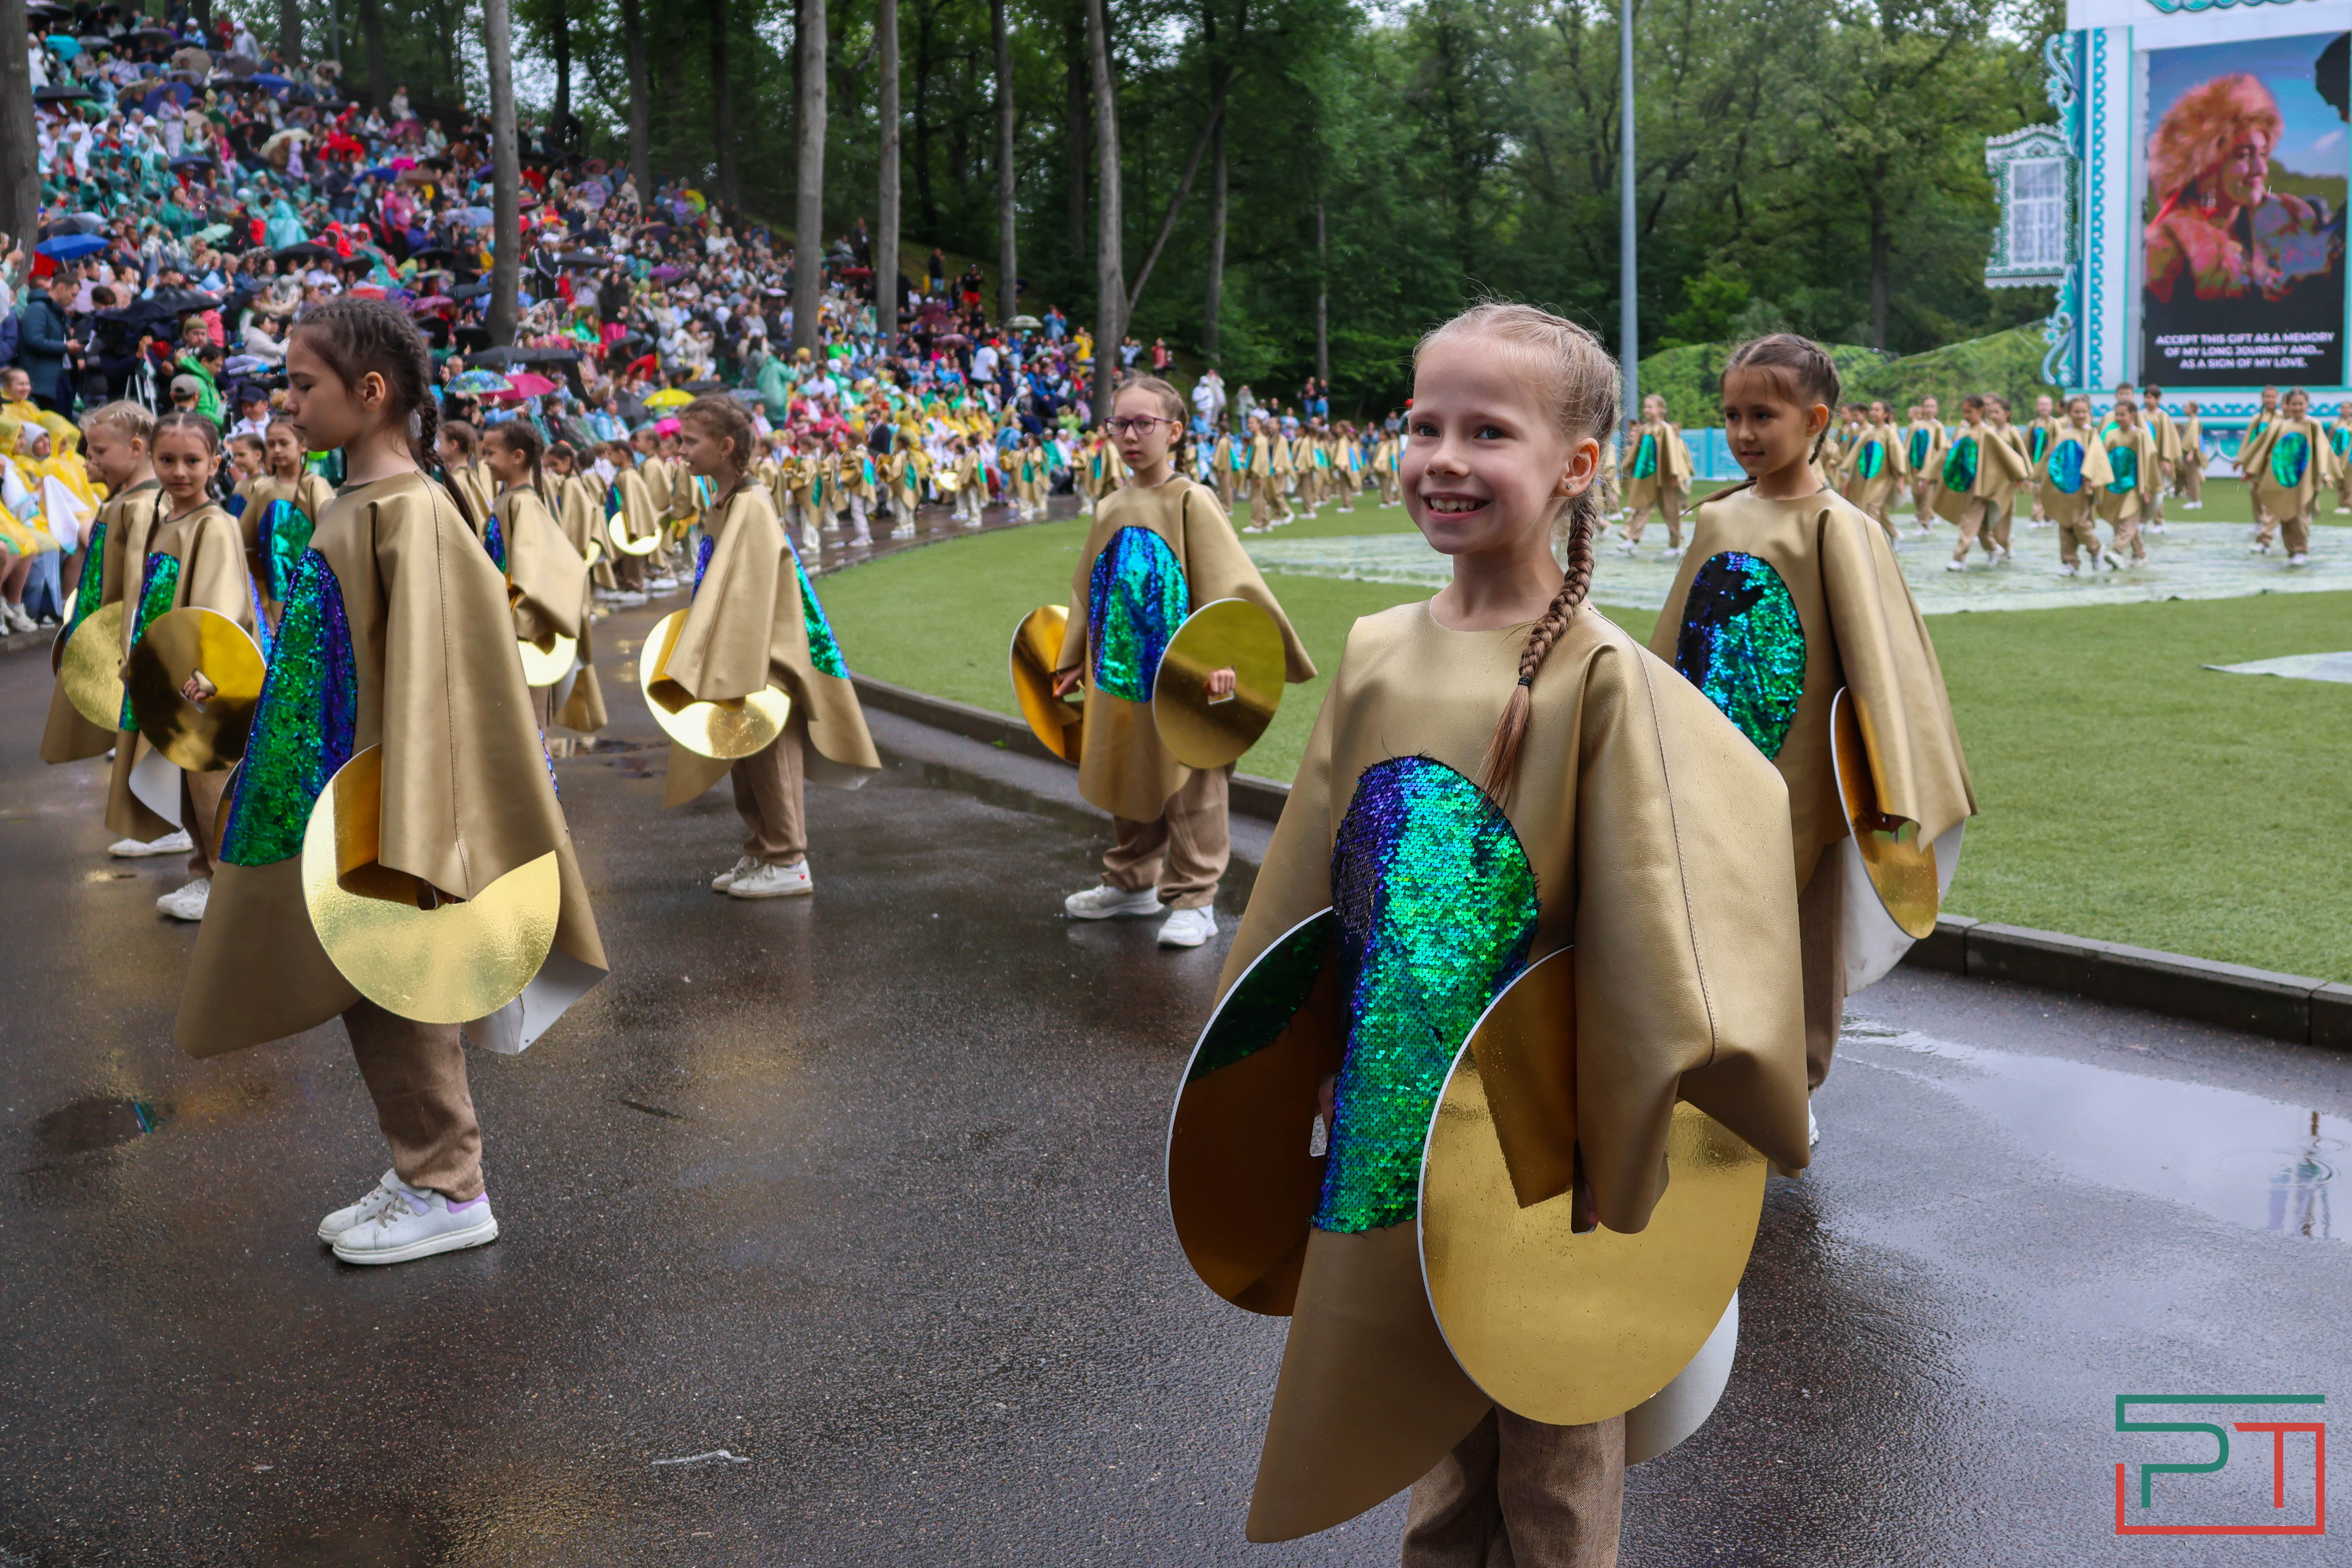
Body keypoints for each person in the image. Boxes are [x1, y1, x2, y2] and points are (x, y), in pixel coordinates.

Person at [1190, 303, 1809, 1565]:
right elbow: (1314, 891)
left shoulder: (1598, 679)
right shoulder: (1372, 654)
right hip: (1398, 1105)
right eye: (1423, 425)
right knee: (1430, 1424)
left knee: (1551, 1426)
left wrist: (1619, 1147)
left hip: (1545, 1132)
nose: (1443, 457)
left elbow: (1646, 930)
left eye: (1488, 431)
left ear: (1577, 468)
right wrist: (1301, 1061)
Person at [180, 296, 606, 1265]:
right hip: (351, 785)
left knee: (394, 976)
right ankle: (422, 1164)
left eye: (302, 385)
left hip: (387, 800)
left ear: (369, 394)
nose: (284, 404)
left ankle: (449, 1185)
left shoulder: (405, 514)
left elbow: (434, 684)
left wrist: (408, 823)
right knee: (364, 976)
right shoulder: (365, 505)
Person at [1649, 333, 1973, 1103]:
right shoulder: (1717, 520)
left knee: (1803, 936)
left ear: (1815, 419)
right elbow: (1675, 645)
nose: (1743, 433)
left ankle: (1794, 1084)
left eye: (1762, 414)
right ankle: (1712, 1066)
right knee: (1710, 921)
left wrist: (1889, 780)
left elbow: (1879, 663)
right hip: (1717, 759)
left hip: (1806, 780)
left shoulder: (1840, 528)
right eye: (1731, 415)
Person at [1049, 375, 1315, 949]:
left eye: (1144, 423)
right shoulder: (1110, 507)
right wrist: (1072, 659)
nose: (1129, 434)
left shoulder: (1191, 499)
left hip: (1183, 674)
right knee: (1128, 775)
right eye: (1119, 423)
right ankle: (1130, 883)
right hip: (1119, 673)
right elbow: (1085, 592)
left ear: (1174, 430)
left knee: (1194, 781)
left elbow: (1227, 582)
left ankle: (1195, 897)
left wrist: (1222, 655)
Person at [657, 395, 881, 898]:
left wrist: (733, 657)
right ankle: (761, 848)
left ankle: (788, 858)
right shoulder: (728, 501)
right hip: (740, 653)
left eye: (690, 441)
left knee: (770, 751)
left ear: (725, 446)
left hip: (764, 658)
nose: (682, 450)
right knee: (742, 755)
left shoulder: (751, 506)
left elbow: (752, 593)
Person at [107, 412, 260, 923]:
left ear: (214, 462)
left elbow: (219, 607)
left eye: (192, 460)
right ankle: (203, 870)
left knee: (208, 779)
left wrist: (207, 671)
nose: (179, 471)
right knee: (182, 774)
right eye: (167, 459)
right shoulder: (167, 519)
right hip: (172, 675)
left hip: (204, 682)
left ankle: (219, 876)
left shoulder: (213, 525)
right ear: (151, 459)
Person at [41, 401, 164, 786]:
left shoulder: (144, 505)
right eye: (89, 451)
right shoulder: (122, 500)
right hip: (113, 626)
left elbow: (139, 584)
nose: (91, 460)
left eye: (99, 452)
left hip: (134, 634)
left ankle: (165, 823)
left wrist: (130, 641)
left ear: (135, 448)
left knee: (153, 722)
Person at [484, 421, 605, 739]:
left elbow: (542, 572)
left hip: (526, 633)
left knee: (532, 723)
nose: (483, 460)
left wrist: (519, 618)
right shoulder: (508, 500)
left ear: (517, 456)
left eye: (490, 453)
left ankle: (542, 787)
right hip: (506, 623)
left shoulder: (524, 504)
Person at [236, 417, 335, 624]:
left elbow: (332, 540)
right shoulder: (263, 488)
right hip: (275, 593)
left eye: (284, 443)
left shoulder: (314, 485)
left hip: (313, 593)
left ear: (302, 446)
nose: (277, 450)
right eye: (271, 445)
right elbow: (243, 540)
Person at [2239, 387, 2338, 566]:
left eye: (2301, 404)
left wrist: (2324, 473)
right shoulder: (2281, 426)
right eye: (2294, 404)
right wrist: (2246, 464)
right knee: (2285, 515)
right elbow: (2262, 446)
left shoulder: (2312, 425)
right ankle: (2291, 550)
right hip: (2283, 477)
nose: (2298, 408)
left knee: (2299, 515)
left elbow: (2323, 450)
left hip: (2304, 479)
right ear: (2288, 405)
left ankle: (2302, 549)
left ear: (2307, 404)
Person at [1935, 393, 2029, 571]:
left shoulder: (1987, 433)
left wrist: (2020, 475)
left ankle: (1959, 557)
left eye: (1969, 412)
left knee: (1969, 521)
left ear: (1980, 411)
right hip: (1968, 486)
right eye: (1964, 412)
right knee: (1982, 527)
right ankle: (1993, 549)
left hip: (1985, 487)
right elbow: (1951, 454)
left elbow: (2007, 455)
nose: (1966, 416)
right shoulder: (1964, 432)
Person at [2038, 394, 2112, 576]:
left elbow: (2098, 458)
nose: (2080, 415)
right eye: (2077, 412)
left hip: (2084, 488)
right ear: (2069, 413)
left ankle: (2095, 548)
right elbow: (2052, 457)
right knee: (2065, 524)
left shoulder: (2091, 434)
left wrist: (2093, 477)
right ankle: (2070, 562)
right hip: (2065, 487)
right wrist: (2037, 476)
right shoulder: (2063, 435)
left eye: (2084, 412)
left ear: (2089, 413)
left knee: (2080, 521)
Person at [1616, 394, 1692, 554]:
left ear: (1661, 410)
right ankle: (1633, 539)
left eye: (1650, 407)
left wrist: (1674, 474)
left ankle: (1675, 544)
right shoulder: (1645, 429)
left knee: (1671, 510)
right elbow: (1637, 452)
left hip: (1665, 478)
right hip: (1648, 478)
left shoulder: (1666, 429)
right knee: (1641, 507)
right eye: (1645, 407)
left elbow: (1672, 453)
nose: (1646, 410)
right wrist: (1625, 466)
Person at [2094, 397, 2158, 570]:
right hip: (2115, 487)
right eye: (2118, 415)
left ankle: (2118, 551)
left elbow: (2146, 462)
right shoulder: (2111, 435)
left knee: (2128, 521)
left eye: (2123, 415)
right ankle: (2140, 553)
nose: (2120, 418)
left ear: (2133, 415)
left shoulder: (2140, 435)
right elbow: (2101, 458)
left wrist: (2145, 488)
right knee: (2119, 521)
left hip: (2135, 487)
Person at [1837, 399, 1907, 540]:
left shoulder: (1889, 433)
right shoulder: (1868, 433)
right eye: (1872, 410)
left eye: (1877, 410)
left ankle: (1874, 544)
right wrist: (1849, 479)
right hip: (1867, 479)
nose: (1873, 413)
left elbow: (1897, 457)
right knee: (1874, 509)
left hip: (1883, 480)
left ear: (1886, 414)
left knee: (1871, 508)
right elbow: (1857, 457)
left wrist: (1900, 479)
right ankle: (1894, 535)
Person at [1903, 399, 1947, 533]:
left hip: (1930, 468)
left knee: (1928, 495)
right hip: (1916, 466)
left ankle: (1924, 523)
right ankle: (1924, 517)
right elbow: (1908, 445)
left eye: (1932, 407)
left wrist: (1938, 466)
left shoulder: (1938, 426)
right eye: (1927, 406)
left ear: (1937, 409)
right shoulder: (1916, 426)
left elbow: (1942, 448)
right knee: (1917, 494)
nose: (1929, 409)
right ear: (1922, 408)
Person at [2175, 400, 2205, 509]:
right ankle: (2193, 499)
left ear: (2192, 408)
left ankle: (2196, 501)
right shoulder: (2193, 421)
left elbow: (2193, 439)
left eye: (2186, 407)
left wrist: (2191, 452)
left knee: (2193, 478)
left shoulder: (2194, 422)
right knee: (2190, 476)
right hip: (2189, 452)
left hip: (2190, 453)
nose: (2185, 409)